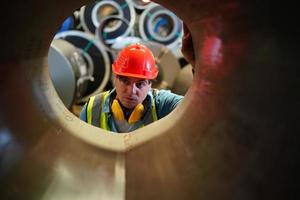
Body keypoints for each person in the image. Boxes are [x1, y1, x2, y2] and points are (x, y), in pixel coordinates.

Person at [80, 43, 183, 133]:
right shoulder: (91, 109)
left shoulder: (163, 105)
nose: (131, 91)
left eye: (140, 84)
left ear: (150, 85)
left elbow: (195, 108)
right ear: (115, 79)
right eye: (125, 81)